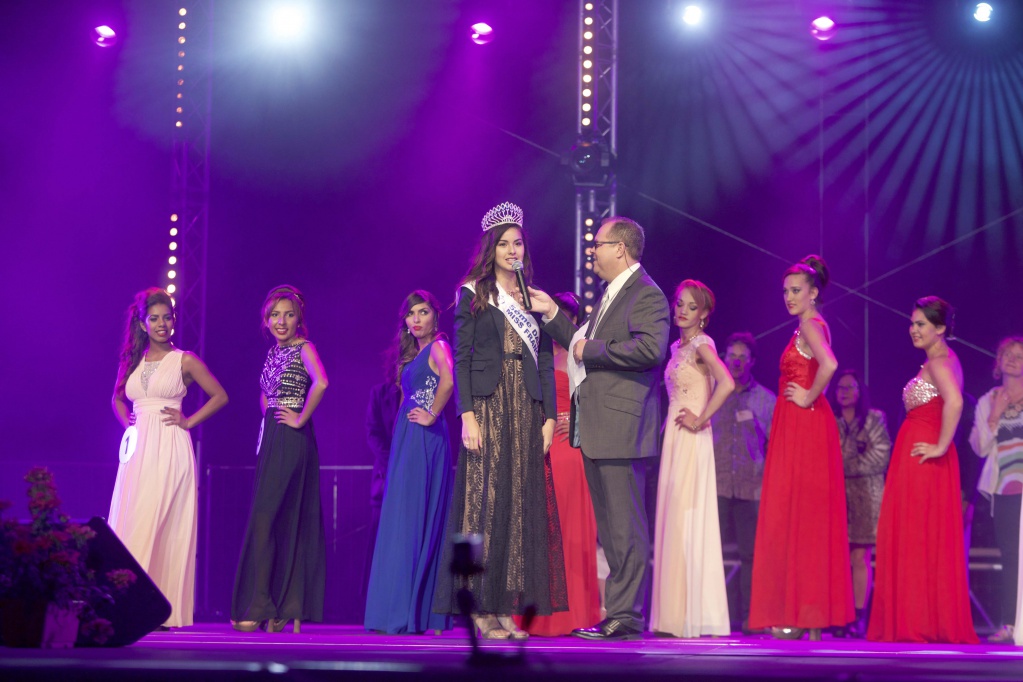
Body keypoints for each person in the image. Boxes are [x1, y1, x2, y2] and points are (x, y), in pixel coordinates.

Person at [529, 216, 671, 641]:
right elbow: (577, 344)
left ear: (620, 249)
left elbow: (650, 348)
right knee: (611, 530)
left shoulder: (646, 293)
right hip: (597, 427)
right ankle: (620, 613)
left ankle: (626, 616)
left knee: (625, 527)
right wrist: (551, 313)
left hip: (621, 428)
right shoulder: (613, 293)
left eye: (599, 244)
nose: (592, 250)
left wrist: (592, 348)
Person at [434, 202, 566, 640]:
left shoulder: (534, 296)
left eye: (519, 243)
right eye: (505, 244)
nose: (513, 251)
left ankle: (507, 603)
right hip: (487, 405)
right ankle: (478, 606)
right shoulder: (473, 293)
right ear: (491, 249)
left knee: (519, 506)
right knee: (482, 505)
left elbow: (544, 360)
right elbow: (462, 359)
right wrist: (467, 416)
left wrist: (549, 416)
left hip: (525, 406)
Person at [748, 255, 853, 641]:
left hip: (803, 424)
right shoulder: (810, 325)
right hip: (800, 424)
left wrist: (808, 396)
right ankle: (805, 613)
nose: (789, 297)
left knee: (797, 515)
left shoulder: (810, 324)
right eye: (785, 291)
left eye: (796, 291)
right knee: (801, 517)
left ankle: (801, 612)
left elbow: (830, 364)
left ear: (813, 293)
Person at [109, 287, 228, 629]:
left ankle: (156, 608)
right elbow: (117, 399)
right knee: (132, 520)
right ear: (143, 324)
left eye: (167, 317)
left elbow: (220, 395)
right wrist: (129, 424)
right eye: (154, 318)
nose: (162, 324)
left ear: (174, 320)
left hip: (170, 445)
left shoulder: (185, 360)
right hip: (137, 450)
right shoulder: (132, 360)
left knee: (160, 523)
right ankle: (124, 601)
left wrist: (189, 421)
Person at [867, 297, 977, 643]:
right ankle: (924, 618)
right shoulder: (940, 360)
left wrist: (941, 445)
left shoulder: (940, 362)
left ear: (940, 328)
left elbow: (956, 402)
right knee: (922, 536)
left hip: (924, 458)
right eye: (912, 323)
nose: (913, 330)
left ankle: (917, 621)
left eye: (921, 324)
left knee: (917, 535)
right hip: (920, 456)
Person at [232, 285, 328, 634]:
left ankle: (262, 605)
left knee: (265, 518)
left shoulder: (304, 347)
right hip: (273, 436)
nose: (281, 321)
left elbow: (321, 382)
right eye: (275, 315)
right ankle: (282, 605)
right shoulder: (273, 351)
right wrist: (269, 414)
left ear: (299, 318)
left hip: (291, 437)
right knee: (274, 520)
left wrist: (299, 418)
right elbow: (265, 393)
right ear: (266, 320)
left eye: (288, 315)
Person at [365, 290, 454, 634]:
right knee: (402, 519)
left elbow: (449, 381)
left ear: (435, 316)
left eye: (423, 312)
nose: (416, 319)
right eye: (411, 314)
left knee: (416, 517)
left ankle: (413, 613)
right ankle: (400, 609)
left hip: (425, 438)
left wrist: (432, 413)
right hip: (407, 438)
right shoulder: (411, 355)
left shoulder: (439, 346)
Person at [514, 292, 602, 636]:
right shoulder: (537, 354)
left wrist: (576, 423)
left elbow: (597, 399)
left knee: (565, 528)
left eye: (562, 317)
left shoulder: (578, 354)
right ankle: (536, 613)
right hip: (537, 447)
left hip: (567, 450)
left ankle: (571, 613)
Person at [650, 280, 734, 637]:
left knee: (686, 520)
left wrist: (700, 419)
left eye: (691, 306)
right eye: (679, 303)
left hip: (691, 439)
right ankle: (673, 615)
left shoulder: (702, 344)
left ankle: (689, 615)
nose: (682, 310)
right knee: (674, 520)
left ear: (704, 314)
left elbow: (727, 383)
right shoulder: (677, 347)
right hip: (675, 438)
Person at [710, 332, 775, 635]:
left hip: (751, 487)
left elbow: (775, 445)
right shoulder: (712, 392)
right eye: (731, 356)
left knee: (752, 555)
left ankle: (752, 618)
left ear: (752, 362)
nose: (735, 362)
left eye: (742, 357)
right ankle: (711, 616)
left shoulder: (766, 399)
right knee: (711, 552)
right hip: (717, 484)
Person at [829, 369, 891, 638]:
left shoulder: (875, 418)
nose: (844, 392)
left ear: (859, 391)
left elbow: (881, 455)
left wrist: (845, 466)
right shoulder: (829, 420)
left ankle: (858, 616)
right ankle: (837, 615)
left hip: (867, 496)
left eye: (849, 387)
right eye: (840, 387)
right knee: (837, 558)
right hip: (836, 497)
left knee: (859, 557)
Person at [971, 336, 1023, 644]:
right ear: (998, 361)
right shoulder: (988, 399)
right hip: (1004, 489)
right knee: (1010, 556)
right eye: (1008, 354)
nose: (1013, 359)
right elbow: (980, 448)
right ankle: (1009, 623)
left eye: (1020, 355)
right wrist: (996, 413)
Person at [360, 378, 400, 604]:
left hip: (412, 469)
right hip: (386, 473)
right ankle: (375, 599)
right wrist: (393, 461)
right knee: (379, 536)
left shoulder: (419, 389)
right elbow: (372, 432)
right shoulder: (380, 392)